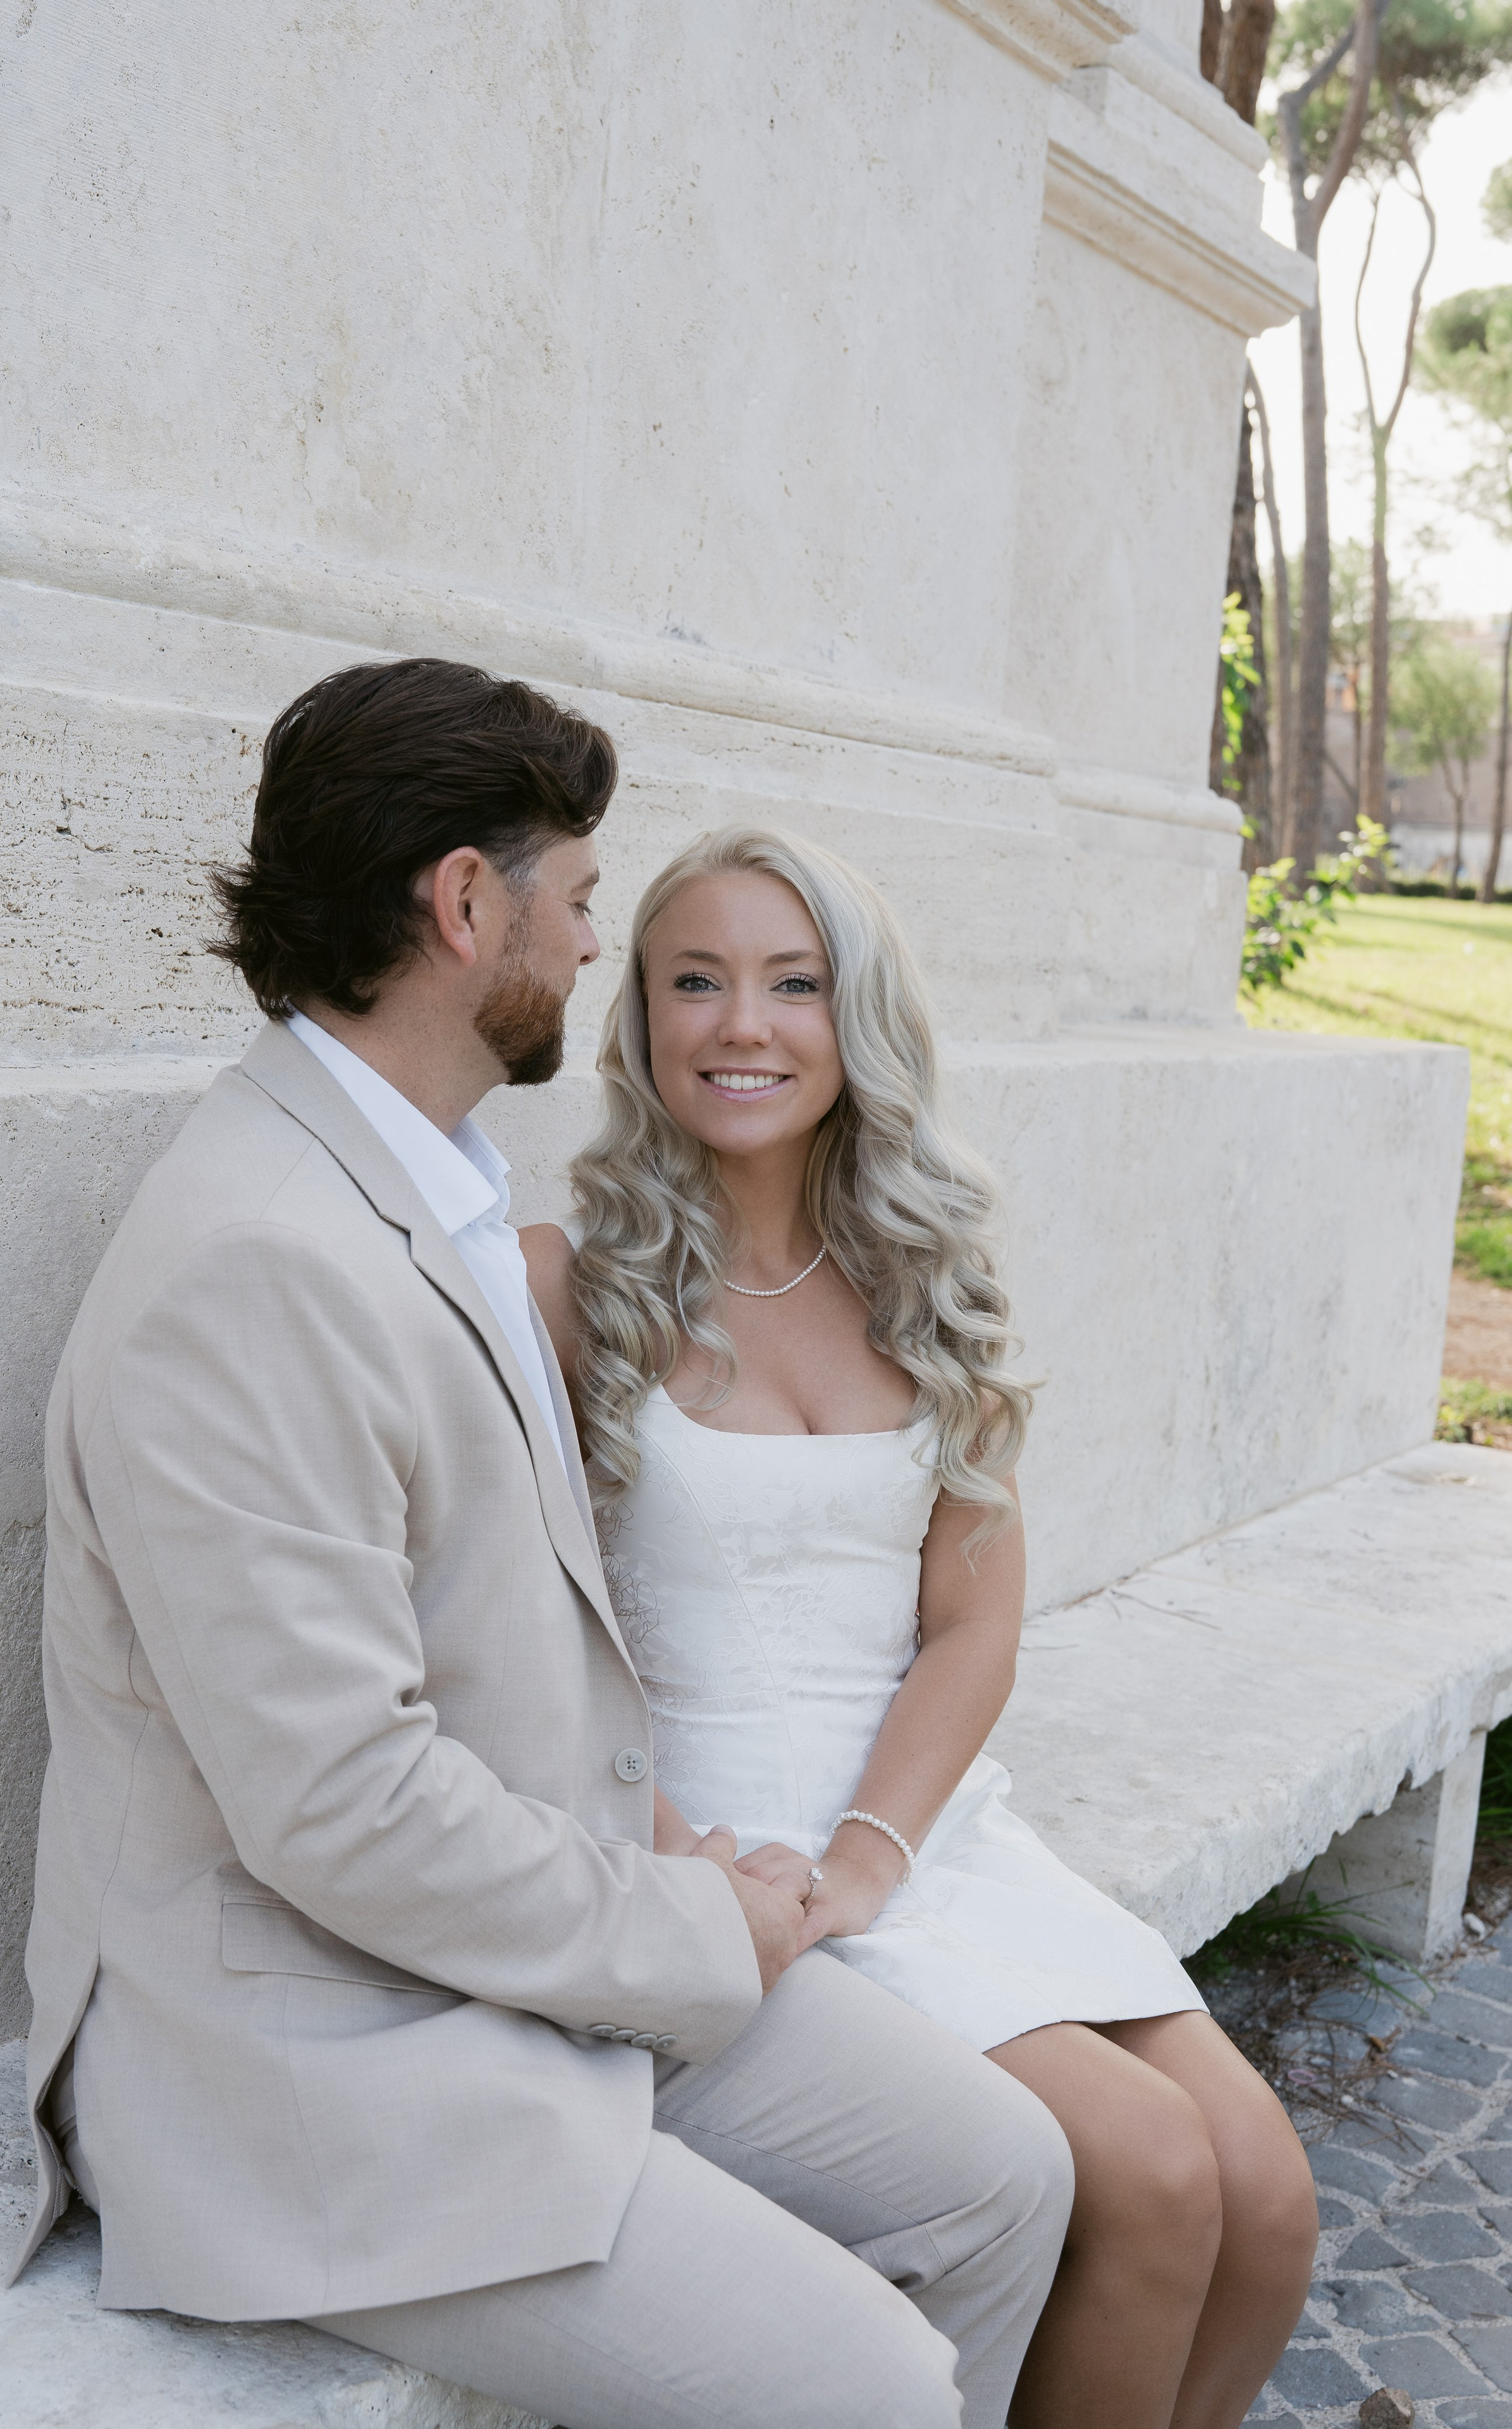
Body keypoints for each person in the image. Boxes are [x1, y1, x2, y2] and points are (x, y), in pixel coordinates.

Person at [13, 658, 1074, 2429]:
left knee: (1006, 2177)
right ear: (463, 904)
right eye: (579, 902)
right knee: (875, 2390)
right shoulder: (258, 1265)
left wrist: (690, 1872)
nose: (595, 952)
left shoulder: (438, 1187)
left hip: (515, 1946)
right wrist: (686, 1926)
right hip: (317, 2049)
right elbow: (340, 1809)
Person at [522, 824, 1320, 2429]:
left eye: (791, 983)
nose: (741, 1024)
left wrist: (883, 1849)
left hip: (919, 1830)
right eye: (695, 981)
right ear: (639, 1020)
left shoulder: (917, 1277)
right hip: (718, 1847)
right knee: (1155, 2178)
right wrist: (701, 1863)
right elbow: (527, 1631)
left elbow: (970, 1622)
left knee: (1267, 2192)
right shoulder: (565, 1285)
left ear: (854, 1018)